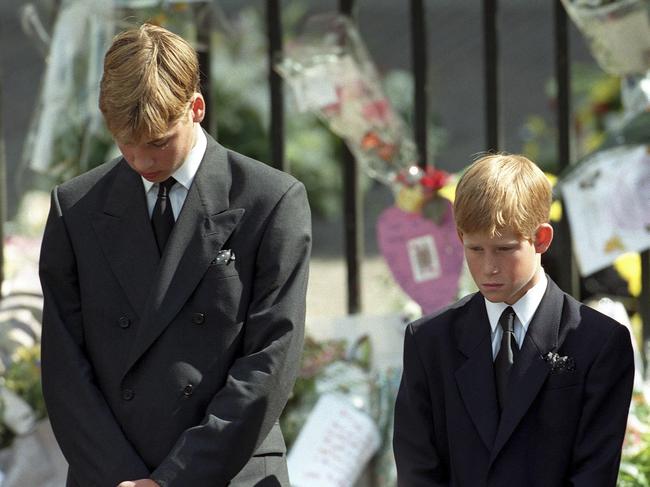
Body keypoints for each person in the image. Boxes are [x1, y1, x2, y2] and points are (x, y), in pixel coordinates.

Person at [39, 23, 311, 487]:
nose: (143, 160)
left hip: (230, 471)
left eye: (159, 142)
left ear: (196, 108)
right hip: (111, 475)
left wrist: (175, 480)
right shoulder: (76, 208)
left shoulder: (272, 201)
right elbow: (64, 365)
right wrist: (121, 477)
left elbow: (270, 359)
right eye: (126, 143)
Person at [392, 153, 634, 486]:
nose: (489, 266)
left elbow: (594, 472)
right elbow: (418, 468)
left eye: (504, 249)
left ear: (541, 239)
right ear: (460, 238)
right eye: (475, 249)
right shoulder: (430, 341)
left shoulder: (598, 341)